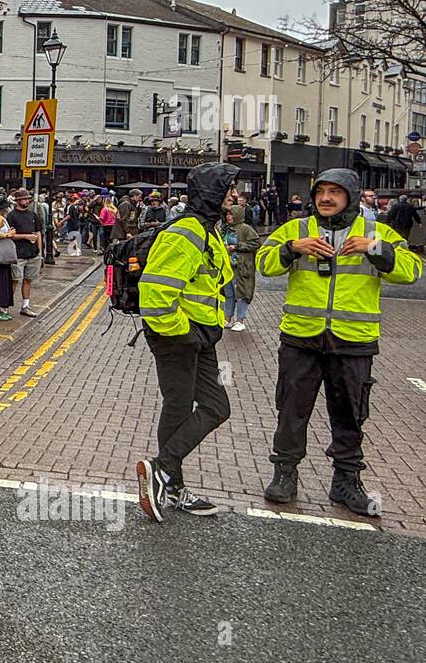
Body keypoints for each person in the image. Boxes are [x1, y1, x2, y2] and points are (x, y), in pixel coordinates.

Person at [256, 169, 423, 514]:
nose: (326, 198)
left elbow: (411, 271)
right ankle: (285, 474)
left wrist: (375, 249)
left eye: (335, 192)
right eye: (321, 192)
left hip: (353, 340)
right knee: (291, 411)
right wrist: (291, 249)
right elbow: (264, 264)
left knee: (350, 415)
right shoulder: (296, 229)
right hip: (301, 337)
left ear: (350, 195)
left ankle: (346, 482)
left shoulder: (377, 232)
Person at [134, 162, 240, 522]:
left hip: (199, 336)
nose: (236, 196)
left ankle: (164, 472)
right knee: (180, 405)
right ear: (214, 194)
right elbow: (154, 296)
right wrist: (185, 332)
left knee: (214, 406)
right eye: (230, 190)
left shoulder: (208, 230)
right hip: (177, 336)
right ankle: (169, 479)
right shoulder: (187, 233)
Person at [5, 188, 43, 317]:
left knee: (28, 279)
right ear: (18, 201)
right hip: (18, 253)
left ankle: (25, 306)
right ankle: (6, 306)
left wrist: (40, 252)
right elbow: (9, 235)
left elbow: (38, 233)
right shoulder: (11, 216)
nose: (27, 201)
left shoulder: (33, 215)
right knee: (14, 279)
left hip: (33, 254)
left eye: (28, 199)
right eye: (24, 199)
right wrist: (26, 236)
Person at [221, 203, 259, 332]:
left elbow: (255, 243)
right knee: (229, 294)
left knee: (242, 293)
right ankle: (227, 319)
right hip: (228, 267)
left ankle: (240, 320)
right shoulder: (226, 229)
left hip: (242, 268)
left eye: (231, 214)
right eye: (227, 214)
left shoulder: (246, 229)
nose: (228, 216)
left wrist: (237, 246)